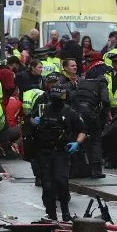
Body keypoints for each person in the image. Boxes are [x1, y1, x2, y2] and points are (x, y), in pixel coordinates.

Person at [29, 86, 87, 221]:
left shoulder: (69, 112)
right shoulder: (42, 109)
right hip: (44, 152)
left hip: (61, 151)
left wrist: (77, 143)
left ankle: (65, 211)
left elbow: (82, 130)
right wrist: (34, 122)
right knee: (47, 184)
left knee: (61, 181)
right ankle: (51, 213)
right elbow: (29, 120)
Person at [70, 76, 110, 178]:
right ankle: (96, 170)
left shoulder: (82, 83)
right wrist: (103, 115)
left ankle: (77, 168)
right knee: (95, 140)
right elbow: (105, 101)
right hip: (89, 112)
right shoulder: (102, 84)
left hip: (75, 111)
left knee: (78, 137)